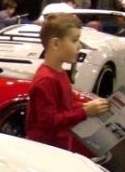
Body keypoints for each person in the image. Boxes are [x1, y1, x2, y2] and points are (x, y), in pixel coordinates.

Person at [25, 12, 111, 154]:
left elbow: (64, 105)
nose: (79, 46)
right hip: (46, 152)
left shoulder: (59, 73)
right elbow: (49, 121)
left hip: (58, 147)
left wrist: (85, 106)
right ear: (56, 44)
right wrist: (85, 111)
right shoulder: (46, 80)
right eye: (74, 40)